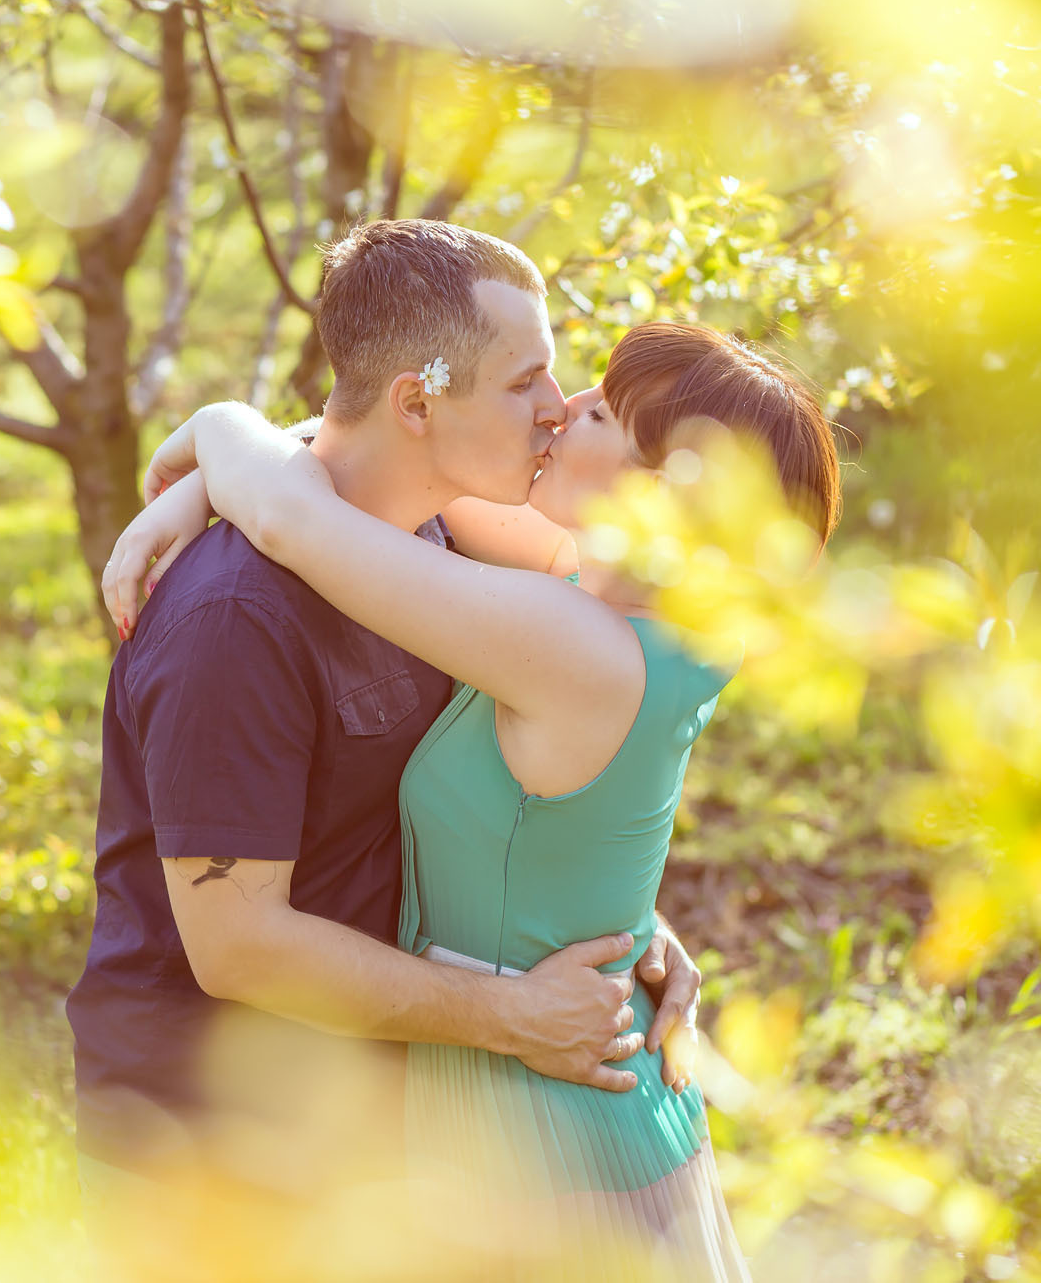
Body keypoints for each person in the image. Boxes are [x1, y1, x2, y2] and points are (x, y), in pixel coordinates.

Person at [103, 319, 841, 1278]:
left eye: (602, 412)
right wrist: (208, 483)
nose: (560, 408)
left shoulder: (572, 644)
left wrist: (209, 428)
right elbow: (370, 473)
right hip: (582, 1087)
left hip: (533, 1122)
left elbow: (302, 522)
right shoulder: (638, 607)